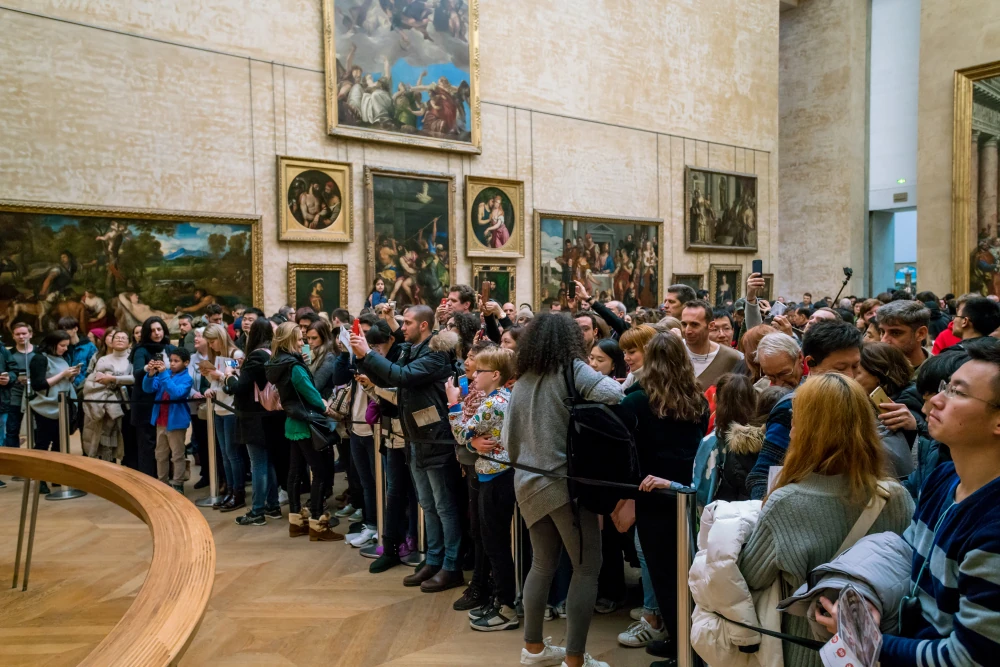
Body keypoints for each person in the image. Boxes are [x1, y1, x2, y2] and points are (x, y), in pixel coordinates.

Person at [816, 343, 1000, 665]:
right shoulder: (945, 478)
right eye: (945, 387)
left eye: (958, 392)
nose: (934, 400)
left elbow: (967, 658)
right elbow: (906, 552)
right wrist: (869, 594)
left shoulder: (993, 528)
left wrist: (870, 643)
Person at [737, 373, 914, 667]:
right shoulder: (896, 496)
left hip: (809, 650)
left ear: (807, 432)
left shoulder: (786, 502)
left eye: (796, 420)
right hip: (877, 648)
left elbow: (751, 575)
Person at [502, 313, 624, 667]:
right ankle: (575, 660)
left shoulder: (523, 378)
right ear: (571, 340)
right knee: (587, 568)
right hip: (565, 485)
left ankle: (534, 649)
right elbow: (614, 393)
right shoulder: (572, 368)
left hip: (526, 480)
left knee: (541, 564)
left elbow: (509, 440)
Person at [351, 305, 466, 594]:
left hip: (436, 438)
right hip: (416, 437)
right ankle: (435, 558)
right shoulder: (409, 349)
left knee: (445, 507)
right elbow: (388, 377)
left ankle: (451, 565)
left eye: (409, 322)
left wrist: (369, 354)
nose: (403, 326)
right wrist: (362, 358)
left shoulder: (436, 354)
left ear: (425, 326)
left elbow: (402, 377)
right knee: (427, 505)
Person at [616, 333, 708, 660]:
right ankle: (684, 643)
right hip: (688, 496)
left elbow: (627, 455)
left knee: (664, 577)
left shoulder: (636, 402)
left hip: (651, 495)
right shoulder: (698, 399)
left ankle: (682, 653)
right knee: (686, 576)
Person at [746, 321, 864, 499]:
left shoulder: (860, 400)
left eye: (855, 366)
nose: (851, 376)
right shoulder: (791, 408)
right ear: (811, 363)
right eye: (840, 369)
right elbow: (760, 477)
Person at [447, 346, 519, 632]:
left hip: (497, 475)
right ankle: (501, 600)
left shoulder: (494, 403)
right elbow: (471, 437)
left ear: (497, 374)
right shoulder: (497, 398)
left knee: (496, 543)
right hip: (493, 473)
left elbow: (462, 432)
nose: (474, 376)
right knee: (491, 541)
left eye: (480, 371)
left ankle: (506, 607)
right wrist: (471, 442)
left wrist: (453, 404)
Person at [266, 322, 344, 542]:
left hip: (292, 422)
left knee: (295, 473)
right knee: (320, 472)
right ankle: (318, 524)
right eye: (300, 339)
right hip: (307, 424)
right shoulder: (294, 366)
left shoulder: (276, 364)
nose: (303, 343)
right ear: (289, 340)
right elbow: (311, 394)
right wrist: (328, 409)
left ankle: (296, 521)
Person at [227, 318, 284, 526]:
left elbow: (240, 387)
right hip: (269, 415)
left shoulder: (256, 355)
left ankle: (258, 510)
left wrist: (228, 376)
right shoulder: (271, 352)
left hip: (254, 416)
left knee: (258, 462)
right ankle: (272, 505)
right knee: (267, 461)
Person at [856, 343, 922, 478]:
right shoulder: (871, 401)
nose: (850, 377)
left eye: (857, 372)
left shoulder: (905, 406)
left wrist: (914, 427)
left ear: (878, 376)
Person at [27, 331, 80, 493]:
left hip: (62, 407)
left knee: (59, 443)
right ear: (52, 344)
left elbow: (61, 380)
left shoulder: (60, 357)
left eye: (66, 346)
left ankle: (56, 476)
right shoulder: (39, 358)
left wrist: (70, 376)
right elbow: (39, 384)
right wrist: (63, 374)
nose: (65, 349)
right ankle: (40, 478)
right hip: (45, 407)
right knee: (43, 443)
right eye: (62, 345)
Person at [201, 323, 245, 512]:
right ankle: (229, 490)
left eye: (213, 341)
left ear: (222, 337)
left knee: (232, 453)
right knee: (225, 454)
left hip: (231, 409)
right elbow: (217, 384)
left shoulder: (234, 355)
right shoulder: (217, 357)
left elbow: (235, 383)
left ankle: (238, 492)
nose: (211, 345)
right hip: (218, 408)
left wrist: (218, 376)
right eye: (209, 342)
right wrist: (210, 387)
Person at [142, 347, 193, 492]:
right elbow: (148, 389)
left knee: (177, 455)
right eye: (170, 360)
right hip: (160, 421)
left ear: (186, 362)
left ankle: (178, 483)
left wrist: (163, 374)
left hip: (176, 423)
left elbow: (176, 393)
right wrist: (151, 375)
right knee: (160, 454)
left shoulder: (187, 379)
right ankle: (162, 482)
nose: (172, 364)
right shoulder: (166, 374)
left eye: (176, 361)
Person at [130, 317, 175, 478]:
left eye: (159, 329)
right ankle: (148, 480)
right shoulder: (140, 350)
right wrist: (147, 367)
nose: (156, 333)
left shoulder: (170, 348)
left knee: (166, 443)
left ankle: (164, 480)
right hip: (145, 402)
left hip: (167, 401)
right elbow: (136, 373)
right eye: (152, 330)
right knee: (147, 444)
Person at [82, 330, 133, 462]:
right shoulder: (103, 359)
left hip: (128, 402)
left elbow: (135, 378)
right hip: (107, 401)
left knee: (127, 435)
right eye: (117, 337)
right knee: (107, 436)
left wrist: (113, 379)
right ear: (111, 341)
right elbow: (97, 379)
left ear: (129, 343)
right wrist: (114, 381)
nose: (120, 340)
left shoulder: (132, 358)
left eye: (124, 338)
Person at [680, 300, 741, 390]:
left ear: (711, 326)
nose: (687, 331)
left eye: (694, 325)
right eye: (684, 324)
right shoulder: (672, 350)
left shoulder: (731, 358)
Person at [876, 300, 930, 375]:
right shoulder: (875, 369)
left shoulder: (938, 373)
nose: (883, 340)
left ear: (921, 334)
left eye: (895, 333)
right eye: (882, 332)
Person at [4, 323, 35, 449]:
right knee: (12, 429)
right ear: (13, 336)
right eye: (18, 334)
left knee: (38, 430)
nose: (21, 336)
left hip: (36, 395)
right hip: (14, 396)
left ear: (30, 334)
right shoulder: (8, 354)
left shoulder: (39, 352)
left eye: (24, 333)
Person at [58, 316, 96, 391]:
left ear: (75, 329)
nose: (63, 332)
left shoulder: (89, 347)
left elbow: (93, 368)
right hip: (63, 385)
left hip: (83, 386)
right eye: (61, 329)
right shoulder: (60, 347)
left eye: (66, 329)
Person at [619, 324, 657, 389]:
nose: (625, 358)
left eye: (631, 352)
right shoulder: (632, 376)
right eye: (624, 353)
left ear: (648, 350)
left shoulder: (661, 379)